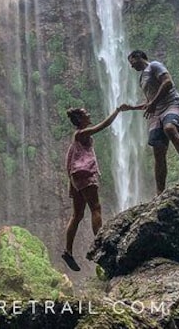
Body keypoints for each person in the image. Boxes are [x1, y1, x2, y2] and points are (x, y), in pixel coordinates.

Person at [61, 104, 130, 271]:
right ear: (79, 119)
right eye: (86, 114)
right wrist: (117, 111)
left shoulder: (77, 135)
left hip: (76, 177)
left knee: (77, 215)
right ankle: (101, 245)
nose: (89, 114)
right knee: (96, 208)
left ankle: (68, 251)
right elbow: (103, 125)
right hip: (84, 174)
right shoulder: (82, 133)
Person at [125, 50, 179, 194]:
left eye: (132, 62)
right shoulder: (142, 79)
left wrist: (153, 103)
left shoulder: (155, 65)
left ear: (139, 57)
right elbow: (149, 102)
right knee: (158, 151)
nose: (131, 66)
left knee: (170, 128)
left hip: (172, 104)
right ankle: (160, 192)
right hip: (156, 113)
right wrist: (131, 108)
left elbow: (168, 82)